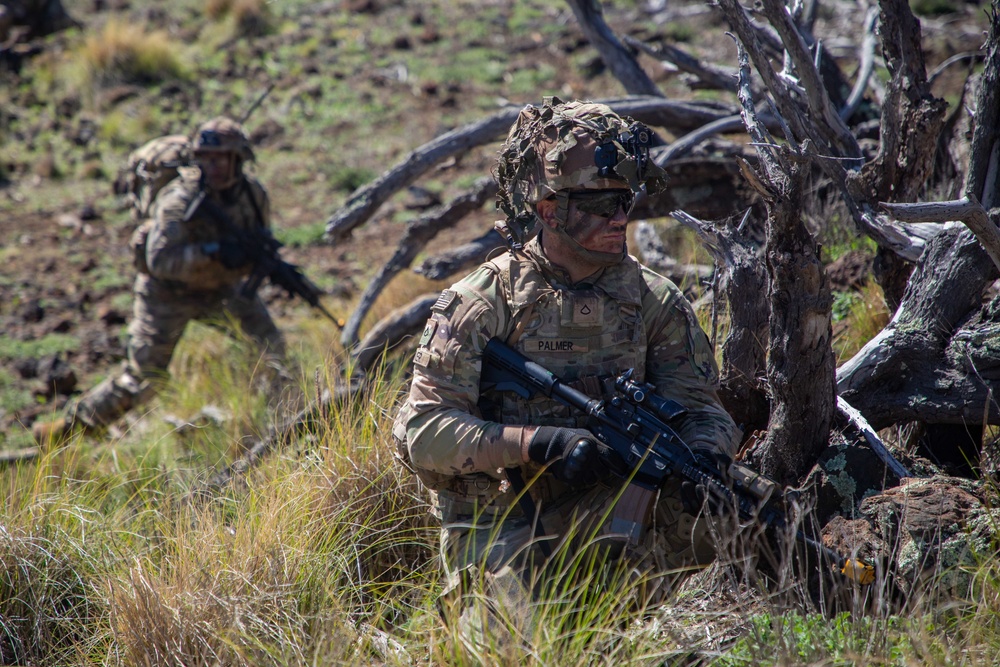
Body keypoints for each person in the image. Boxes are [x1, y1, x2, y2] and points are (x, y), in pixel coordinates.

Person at [392, 98, 741, 637]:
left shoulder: (654, 301)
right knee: (526, 646)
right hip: (499, 523)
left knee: (747, 512)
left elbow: (702, 409)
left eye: (625, 200)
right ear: (551, 210)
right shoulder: (483, 302)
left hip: (611, 505)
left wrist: (706, 456)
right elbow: (423, 432)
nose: (620, 218)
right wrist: (539, 443)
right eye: (601, 204)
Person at [32, 116, 286, 443]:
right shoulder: (179, 200)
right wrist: (214, 252)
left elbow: (260, 240)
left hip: (224, 289)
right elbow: (160, 260)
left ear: (238, 159)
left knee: (273, 352)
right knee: (142, 380)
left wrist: (263, 262)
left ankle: (275, 429)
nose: (214, 166)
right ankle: (66, 432)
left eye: (221, 157)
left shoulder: (253, 196)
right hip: (167, 294)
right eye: (207, 158)